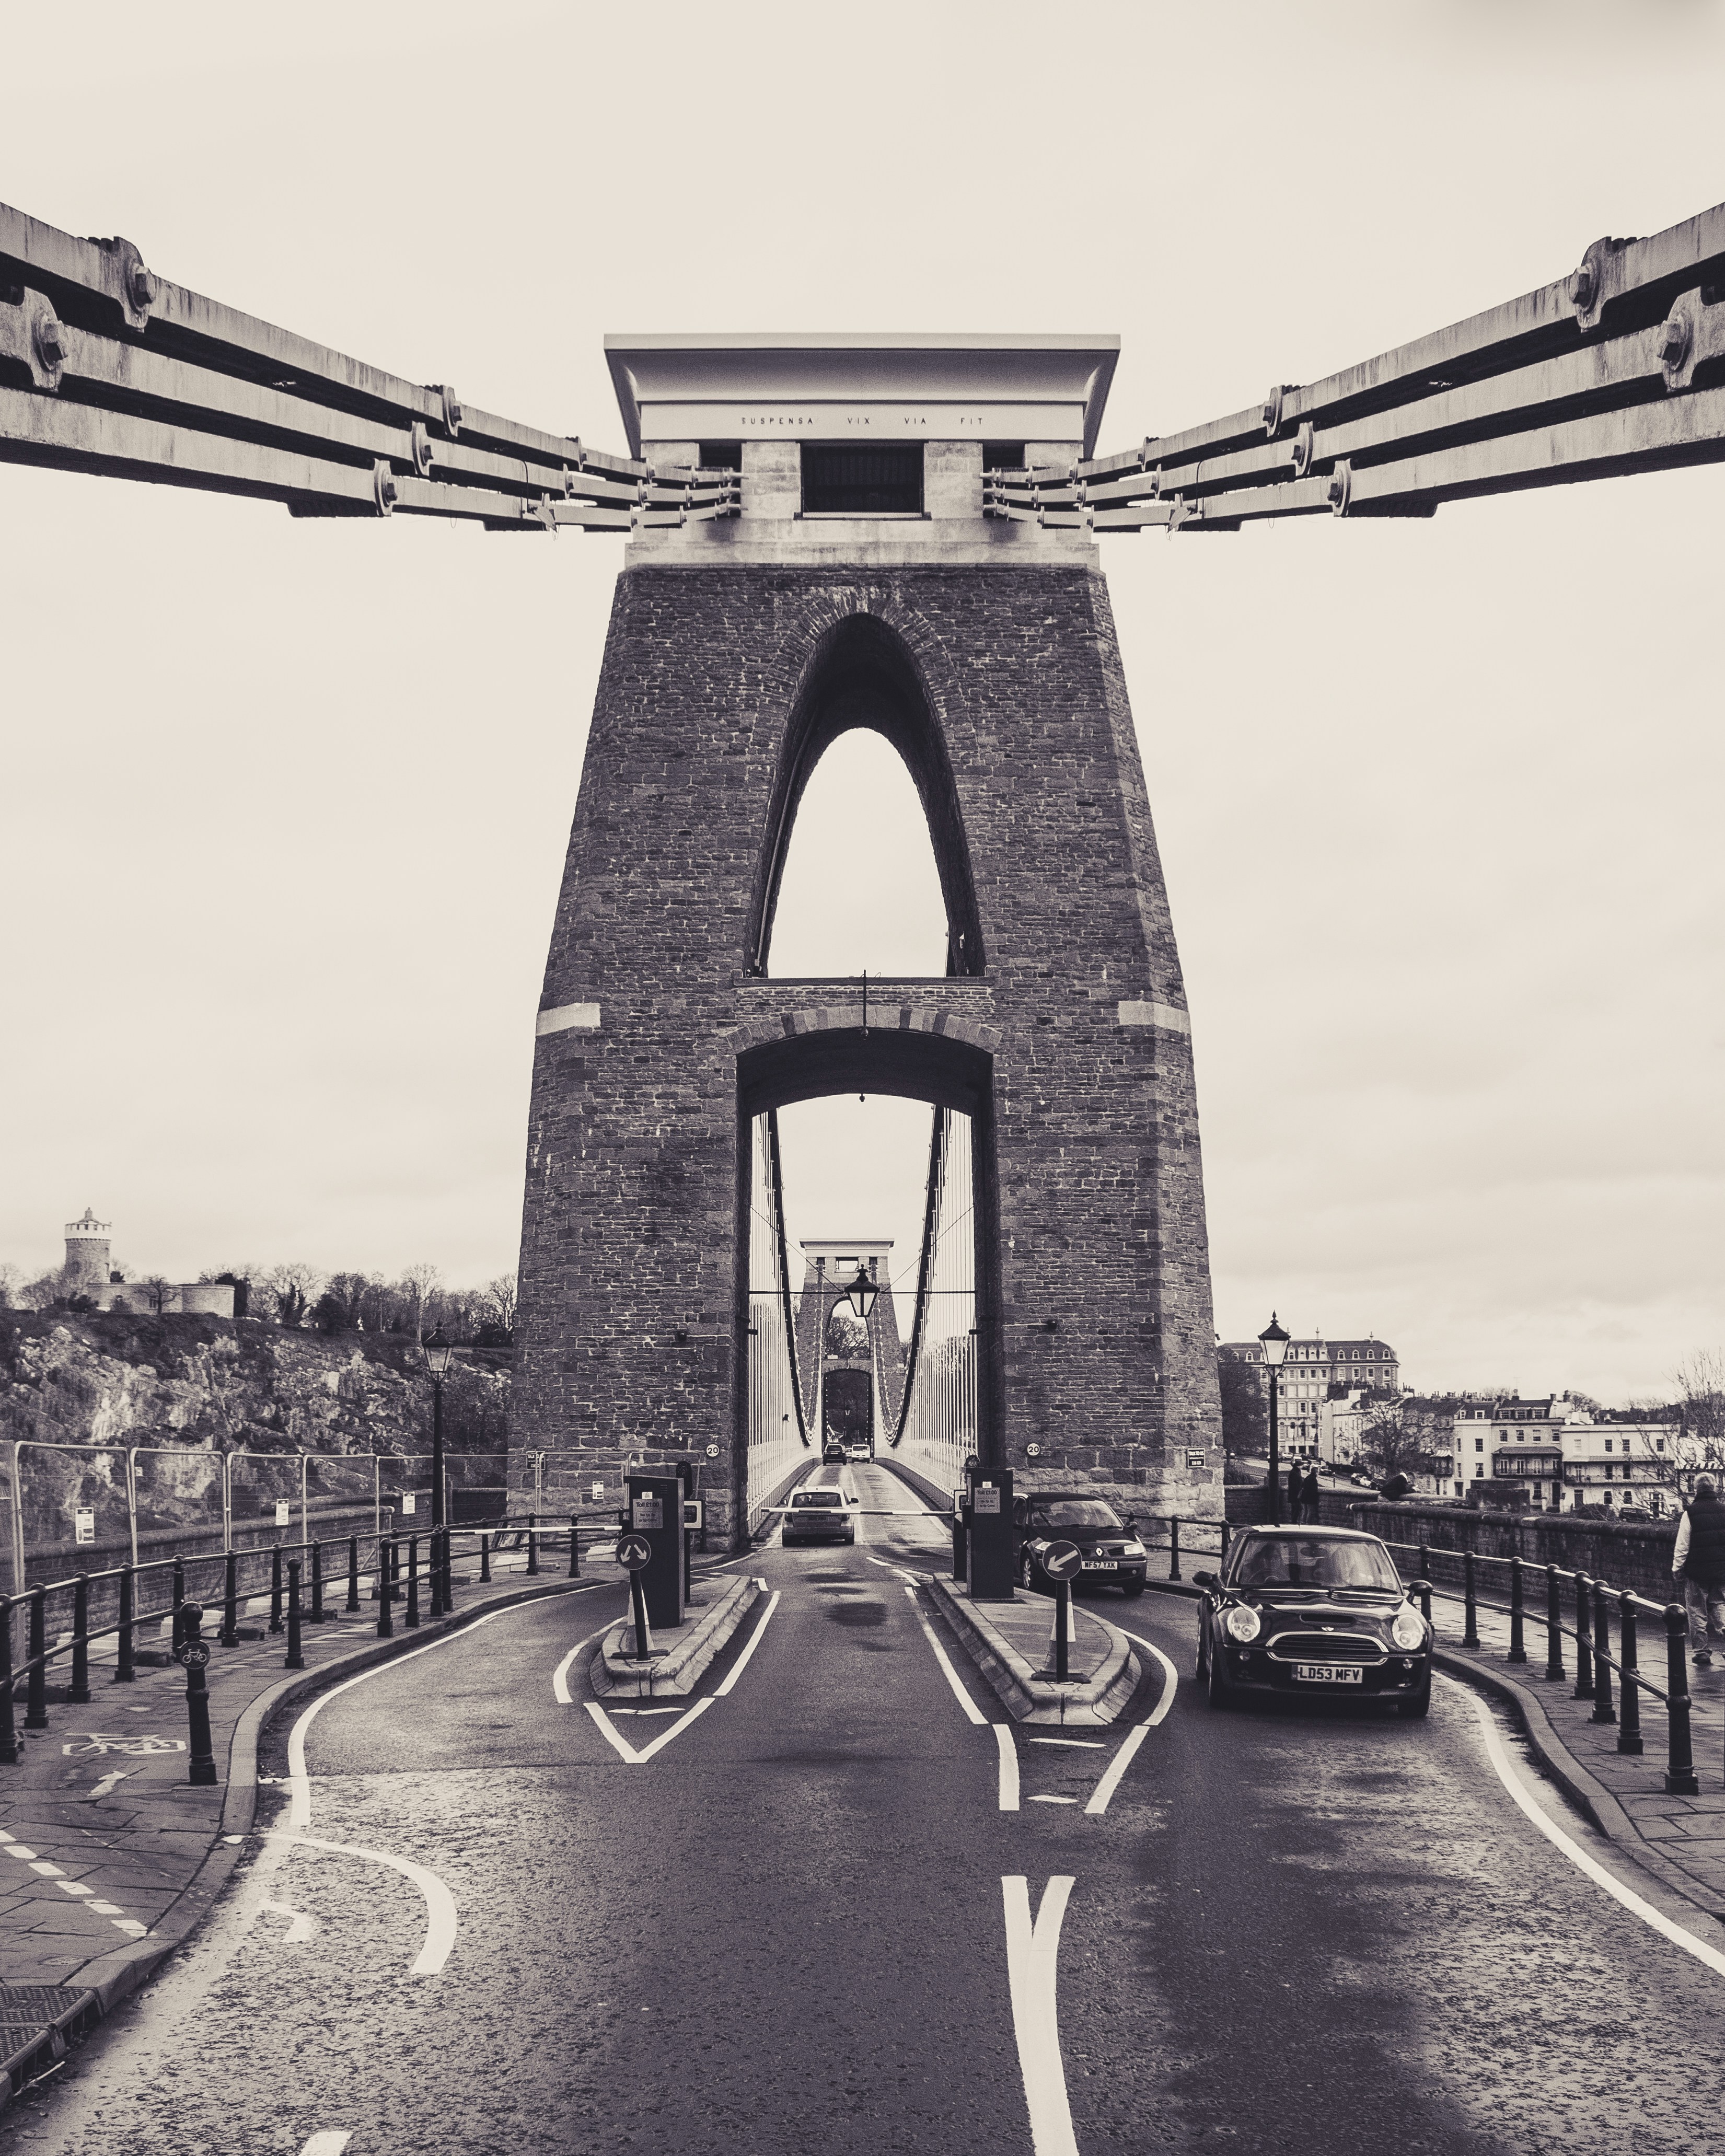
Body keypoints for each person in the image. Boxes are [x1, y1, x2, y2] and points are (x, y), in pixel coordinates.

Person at [1672, 1476, 1725, 1666]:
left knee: (1696, 1611)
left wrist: (1677, 1569)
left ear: (1696, 1490)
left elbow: (1683, 1545)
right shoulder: (1724, 1510)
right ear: (1715, 1488)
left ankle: (1702, 1652)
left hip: (1696, 1572)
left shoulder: (1690, 1513)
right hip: (1720, 1571)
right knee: (1720, 1605)